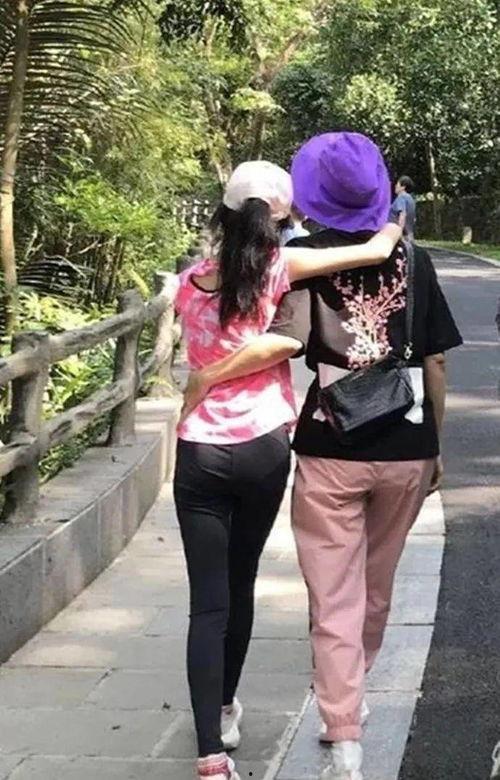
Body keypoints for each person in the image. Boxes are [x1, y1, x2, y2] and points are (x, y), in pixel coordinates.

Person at [181, 134, 462, 780]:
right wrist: (436, 445)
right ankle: (348, 702)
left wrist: (206, 376)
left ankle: (344, 736)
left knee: (333, 597)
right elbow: (436, 360)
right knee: (375, 590)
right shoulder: (413, 258)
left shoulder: (303, 260)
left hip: (330, 444)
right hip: (407, 445)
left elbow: (284, 340)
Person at [390, 174, 417, 240]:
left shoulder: (401, 197)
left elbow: (402, 215)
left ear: (403, 187)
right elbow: (414, 219)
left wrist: (399, 233)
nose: (395, 186)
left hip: (399, 235)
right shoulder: (410, 198)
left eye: (397, 184)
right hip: (409, 234)